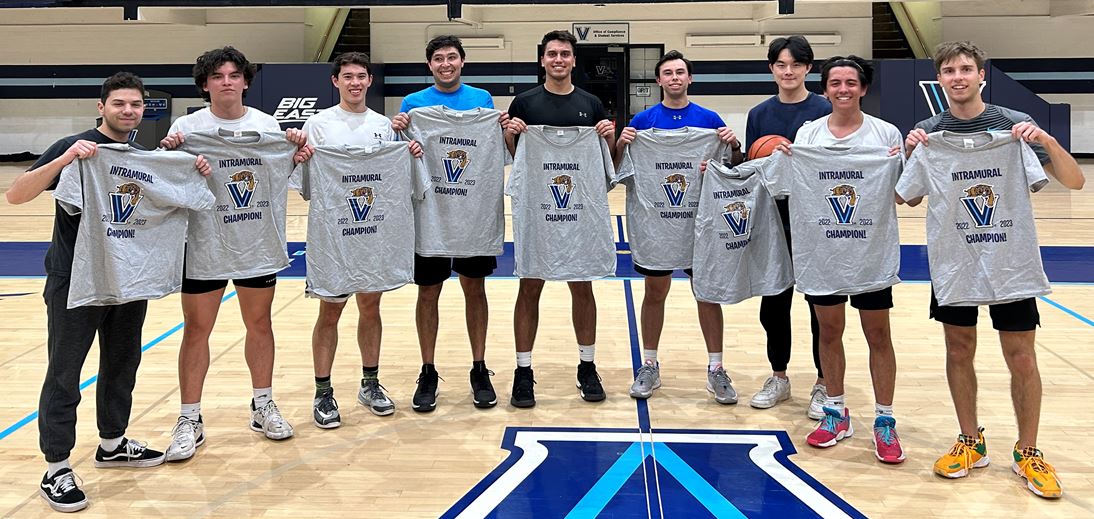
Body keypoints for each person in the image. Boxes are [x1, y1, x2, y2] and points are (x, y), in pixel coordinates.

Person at [6, 72, 207, 513]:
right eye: (119, 103)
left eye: (135, 104)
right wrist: (65, 161)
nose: (128, 111)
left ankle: (112, 443)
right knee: (65, 372)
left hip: (127, 277)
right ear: (102, 107)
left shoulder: (139, 157)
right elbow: (15, 195)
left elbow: (177, 201)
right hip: (73, 279)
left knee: (122, 364)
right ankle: (56, 466)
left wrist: (190, 171)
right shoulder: (75, 148)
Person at [902, 40, 1084, 497]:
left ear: (981, 76)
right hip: (954, 263)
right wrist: (909, 153)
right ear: (938, 79)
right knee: (958, 349)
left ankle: (1028, 451)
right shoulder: (928, 131)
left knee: (1021, 356)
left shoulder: (1013, 126)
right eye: (949, 70)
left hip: (1008, 261)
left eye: (966, 68)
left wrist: (1044, 138)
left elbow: (1075, 181)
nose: (958, 76)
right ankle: (971, 441)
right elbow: (904, 196)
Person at [159, 46, 310, 461]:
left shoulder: (267, 125)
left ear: (245, 81)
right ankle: (190, 417)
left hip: (255, 242)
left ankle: (262, 405)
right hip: (203, 242)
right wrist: (171, 151)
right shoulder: (187, 127)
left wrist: (296, 149)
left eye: (233, 75)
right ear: (205, 84)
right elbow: (168, 180)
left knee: (259, 323)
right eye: (218, 76)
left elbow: (288, 170)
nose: (226, 82)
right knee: (196, 329)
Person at [787, 56, 905, 463]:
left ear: (863, 88)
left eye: (851, 83)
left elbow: (906, 194)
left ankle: (885, 420)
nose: (843, 89)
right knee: (829, 331)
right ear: (825, 89)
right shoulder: (807, 134)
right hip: (823, 252)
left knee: (878, 335)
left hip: (870, 251)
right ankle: (836, 411)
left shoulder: (885, 133)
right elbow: (788, 187)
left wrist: (903, 159)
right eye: (835, 82)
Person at [613, 50, 744, 403]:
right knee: (655, 292)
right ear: (658, 81)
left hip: (699, 225)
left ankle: (716, 368)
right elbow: (615, 173)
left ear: (689, 79)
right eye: (667, 73)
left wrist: (731, 146)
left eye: (680, 72)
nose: (674, 78)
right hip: (656, 227)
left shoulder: (709, 121)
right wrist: (619, 145)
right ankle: (649, 364)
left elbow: (730, 172)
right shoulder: (641, 122)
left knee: (707, 294)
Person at [303, 51, 424, 427]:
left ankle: (369, 383)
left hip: (373, 233)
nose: (355, 83)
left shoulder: (385, 126)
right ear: (335, 82)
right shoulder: (318, 124)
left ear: (370, 81)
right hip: (333, 235)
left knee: (371, 308)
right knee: (331, 310)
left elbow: (394, 180)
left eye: (361, 76)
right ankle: (323, 392)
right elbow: (307, 186)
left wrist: (411, 154)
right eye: (347, 76)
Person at [390, 35, 508, 411]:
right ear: (430, 65)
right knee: (429, 292)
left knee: (475, 289)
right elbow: (401, 157)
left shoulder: (483, 101)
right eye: (438, 58)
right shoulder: (413, 105)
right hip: (431, 215)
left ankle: (479, 366)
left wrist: (504, 127)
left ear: (462, 61)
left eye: (452, 57)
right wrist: (399, 131)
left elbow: (495, 150)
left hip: (472, 215)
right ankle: (428, 370)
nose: (446, 64)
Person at [504, 29, 617, 406]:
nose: (558, 60)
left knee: (581, 285)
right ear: (542, 60)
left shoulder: (592, 104)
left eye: (565, 54)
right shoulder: (524, 103)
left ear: (573, 60)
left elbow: (609, 168)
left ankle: (587, 367)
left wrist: (609, 137)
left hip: (579, 215)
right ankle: (523, 372)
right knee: (529, 285)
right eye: (551, 53)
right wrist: (511, 133)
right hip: (538, 211)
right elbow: (514, 157)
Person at [743, 35, 831, 417]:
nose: (789, 71)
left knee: (819, 307)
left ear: (808, 68)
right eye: (781, 65)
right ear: (771, 69)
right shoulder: (759, 114)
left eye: (796, 64)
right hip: (773, 219)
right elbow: (751, 168)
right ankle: (779, 377)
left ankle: (824, 383)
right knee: (773, 305)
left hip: (813, 218)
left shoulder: (825, 108)